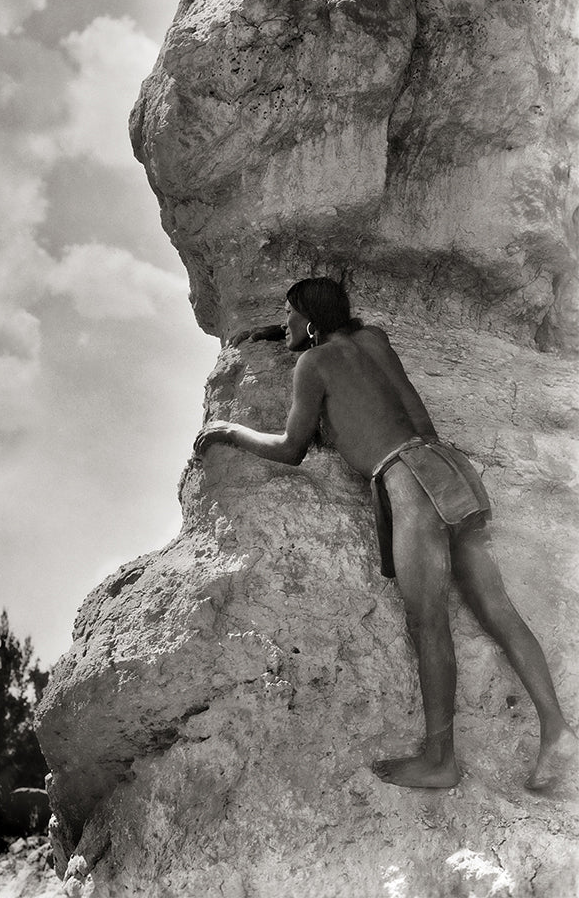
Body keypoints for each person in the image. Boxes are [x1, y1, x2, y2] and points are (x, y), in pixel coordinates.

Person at [193, 277, 576, 790]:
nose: (283, 323)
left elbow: (291, 447)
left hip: (409, 483)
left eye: (287, 315)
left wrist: (228, 431)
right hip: (447, 469)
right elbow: (354, 356)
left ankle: (441, 760)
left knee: (429, 624)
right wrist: (277, 331)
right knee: (497, 606)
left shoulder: (313, 363)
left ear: (308, 322)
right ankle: (557, 729)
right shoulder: (372, 339)